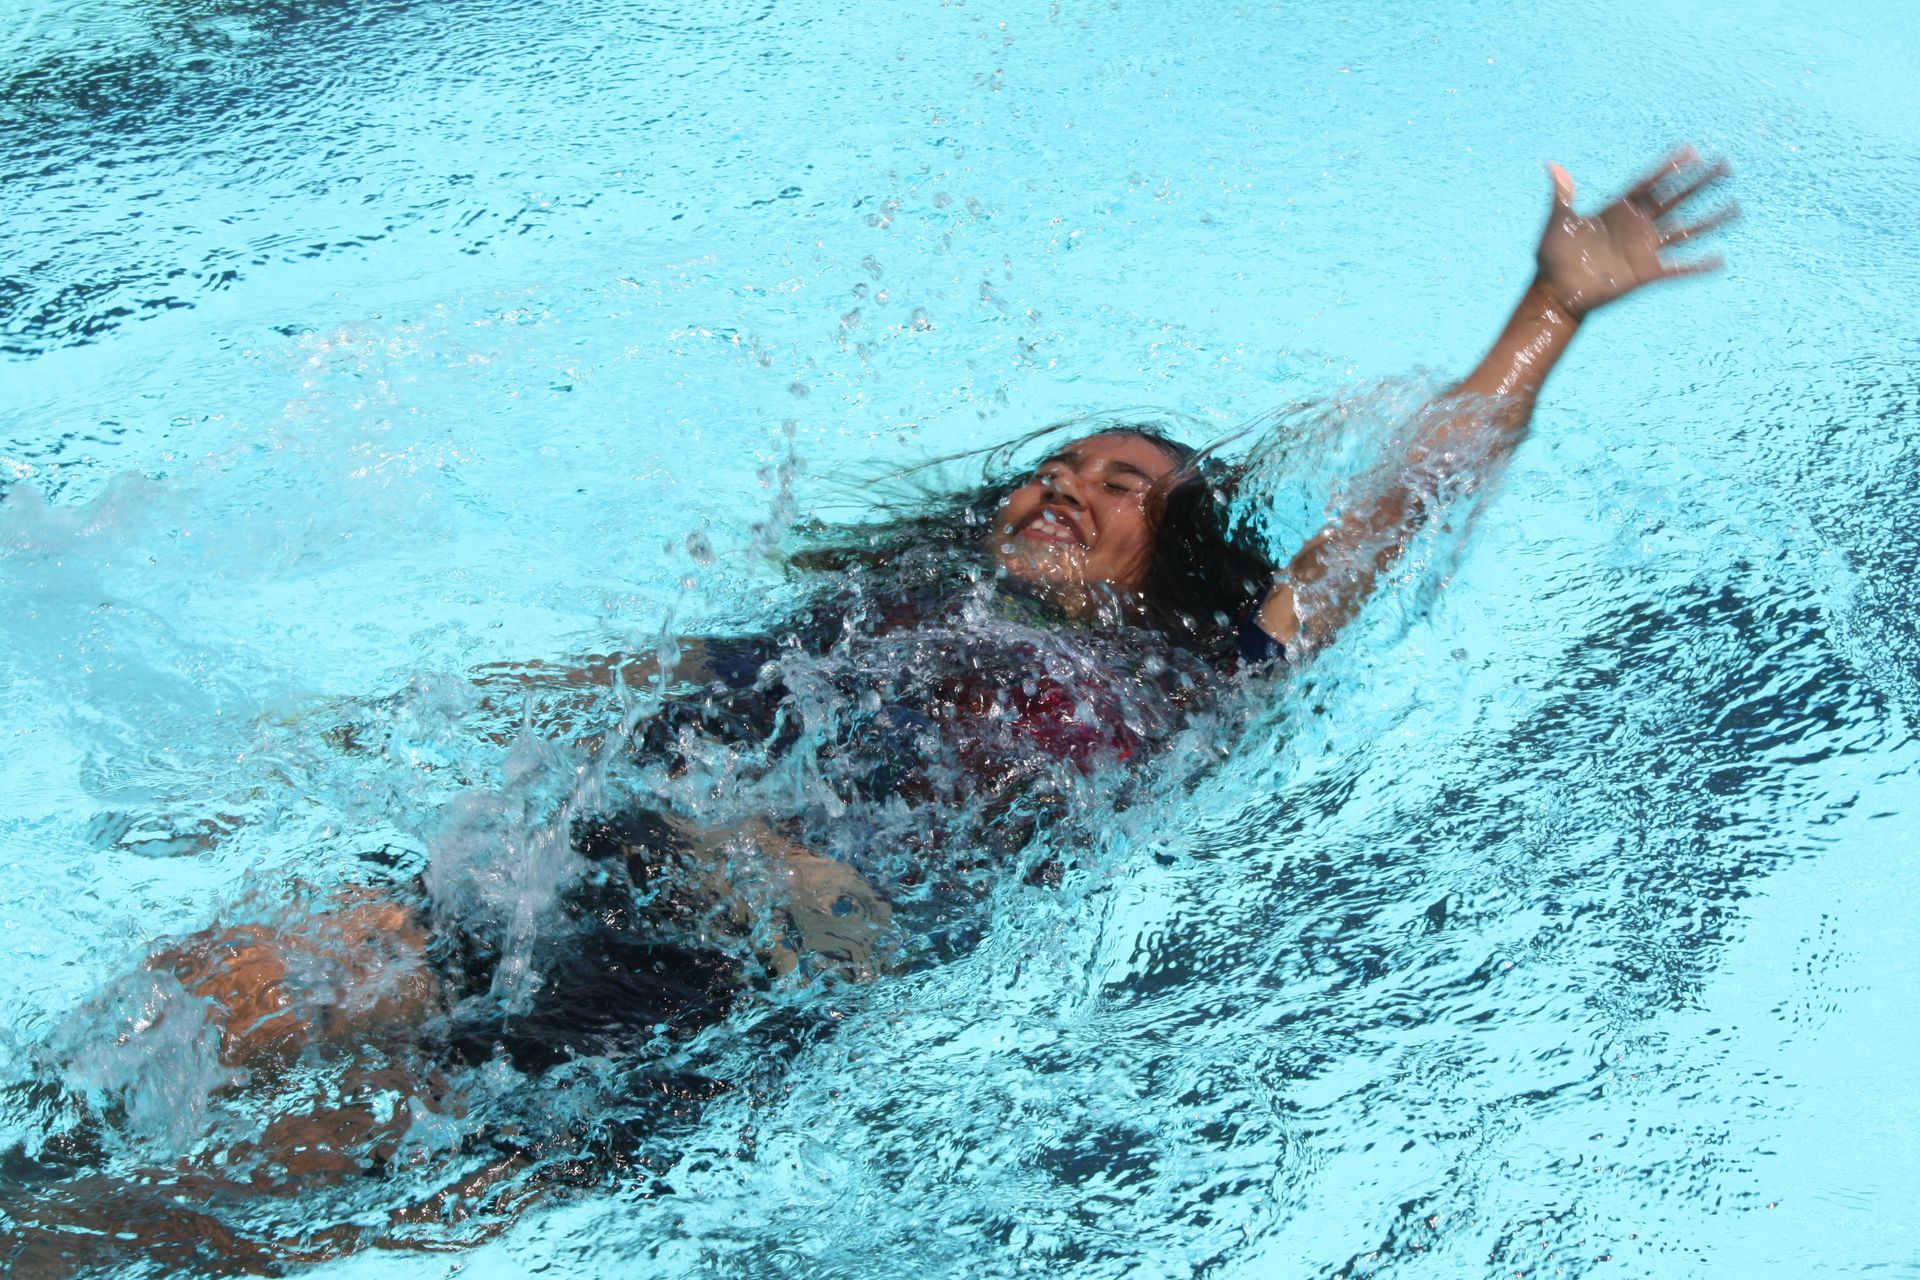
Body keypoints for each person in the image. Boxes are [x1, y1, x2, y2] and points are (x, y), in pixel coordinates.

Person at [2, 147, 1734, 1271]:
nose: (1067, 486)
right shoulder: (878, 616)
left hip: (728, 987)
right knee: (137, 1037)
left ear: (1176, 557)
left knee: (224, 1212)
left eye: (1122, 487)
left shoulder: (1203, 672)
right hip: (564, 864)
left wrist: (1546, 314)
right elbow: (637, 694)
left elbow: (1399, 506)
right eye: (1057, 465)